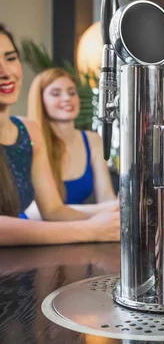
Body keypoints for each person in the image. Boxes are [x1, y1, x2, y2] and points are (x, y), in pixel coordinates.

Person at [0, 23, 119, 245]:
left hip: (19, 266)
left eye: (10, 58)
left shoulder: (28, 131)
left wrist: (117, 218)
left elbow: (53, 210)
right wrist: (91, 230)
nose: (5, 72)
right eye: (55, 93)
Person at [24, 68, 116, 218]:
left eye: (72, 92)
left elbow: (107, 198)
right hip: (31, 235)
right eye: (56, 93)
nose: (67, 98)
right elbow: (36, 212)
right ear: (40, 100)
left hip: (76, 232)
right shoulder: (28, 140)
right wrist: (108, 210)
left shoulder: (93, 140)